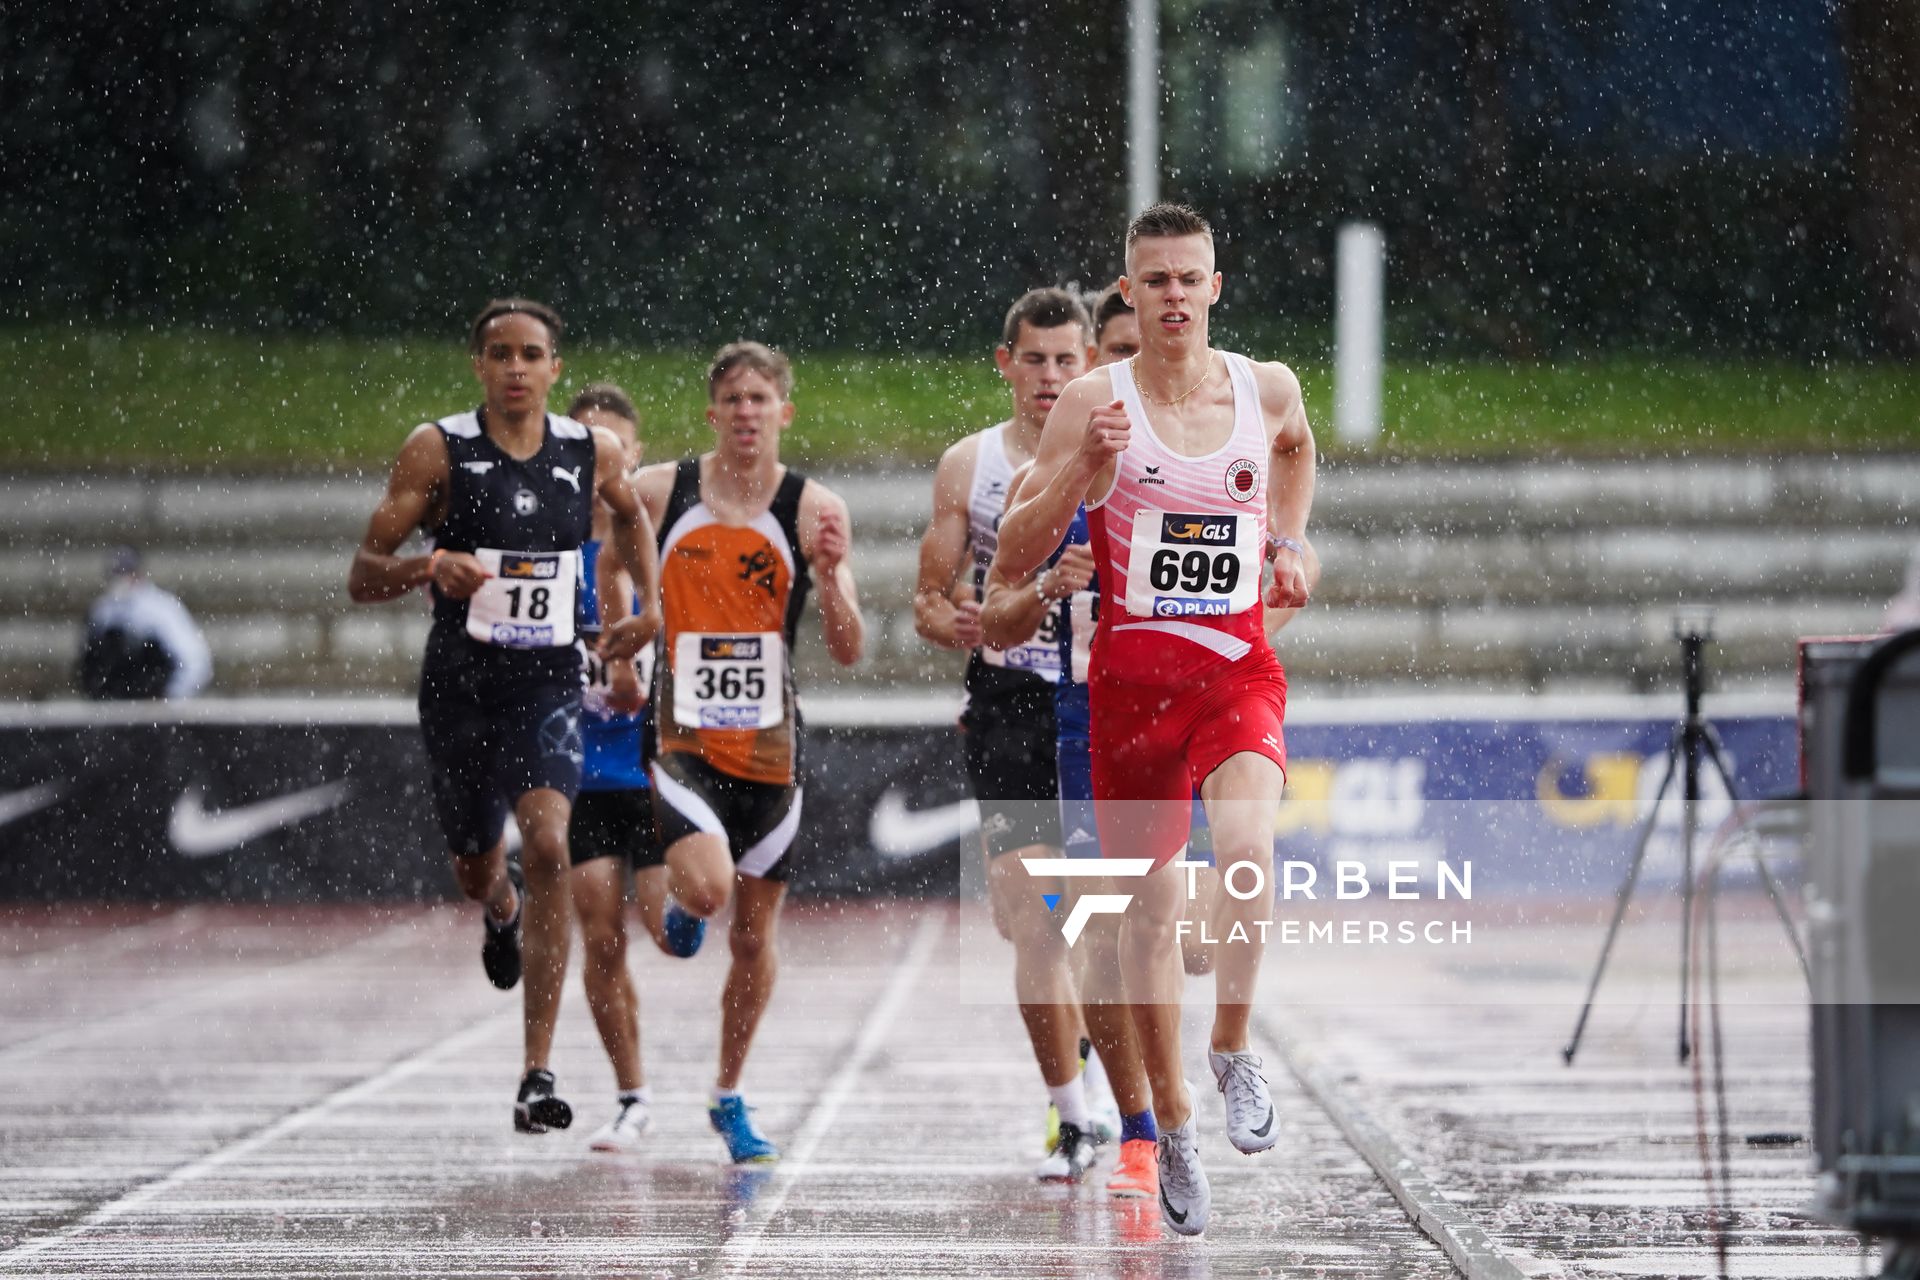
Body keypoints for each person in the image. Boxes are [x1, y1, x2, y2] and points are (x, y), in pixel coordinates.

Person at [995, 205, 1317, 1236]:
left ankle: (1231, 1048)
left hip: (1235, 671)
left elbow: (1298, 451)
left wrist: (1291, 543)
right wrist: (1087, 468)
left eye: (1190, 278)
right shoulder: (1095, 396)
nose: (1173, 295)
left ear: (1216, 285)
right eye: (1154, 281)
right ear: (1126, 293)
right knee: (1142, 915)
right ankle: (1171, 1119)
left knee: (1251, 848)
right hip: (1130, 689)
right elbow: (1016, 544)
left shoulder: (1267, 388)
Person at [347, 299, 661, 1135]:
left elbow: (631, 514)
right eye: (501, 354)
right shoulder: (438, 449)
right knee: (475, 866)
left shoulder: (587, 450)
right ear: (478, 365)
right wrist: (429, 566)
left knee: (552, 843)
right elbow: (362, 572)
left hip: (545, 686)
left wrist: (654, 607)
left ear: (555, 368)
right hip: (458, 686)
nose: (516, 368)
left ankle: (537, 1070)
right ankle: (500, 910)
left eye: (532, 355)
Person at [612, 341, 864, 1165]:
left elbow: (849, 645)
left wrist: (829, 575)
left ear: (784, 412)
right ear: (712, 413)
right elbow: (611, 557)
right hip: (681, 739)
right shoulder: (662, 493)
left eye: (763, 400)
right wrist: (628, 634)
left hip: (772, 753)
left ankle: (728, 1094)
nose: (748, 413)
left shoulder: (811, 506)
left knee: (755, 941)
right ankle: (686, 900)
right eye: (735, 400)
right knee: (712, 888)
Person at [915, 287, 1116, 1183]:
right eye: (1033, 360)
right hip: (1008, 702)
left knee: (1108, 928)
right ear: (1005, 364)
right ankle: (1072, 1116)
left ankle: (1114, 1091)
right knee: (1028, 920)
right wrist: (949, 620)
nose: (1049, 378)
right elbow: (926, 599)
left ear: (1090, 367)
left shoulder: (1128, 457)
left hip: (1105, 704)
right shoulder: (970, 465)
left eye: (1065, 361)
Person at [559, 383, 661, 1153]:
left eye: (613, 452)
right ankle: (632, 1095)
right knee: (599, 934)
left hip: (656, 772)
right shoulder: (548, 553)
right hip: (585, 775)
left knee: (672, 928)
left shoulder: (658, 546)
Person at [77, 546, 212, 700]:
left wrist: (170, 697)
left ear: (138, 574)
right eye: (115, 574)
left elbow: (194, 661)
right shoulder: (101, 612)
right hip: (113, 707)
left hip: (153, 704)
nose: (120, 581)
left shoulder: (161, 609)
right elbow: (88, 667)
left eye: (125, 573)